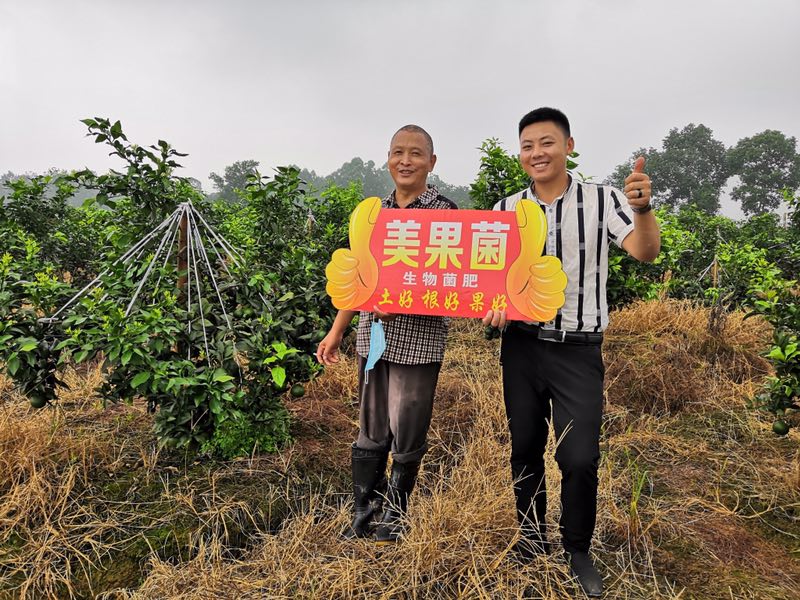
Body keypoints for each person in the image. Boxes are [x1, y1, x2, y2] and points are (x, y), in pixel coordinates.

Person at [483, 107, 660, 597]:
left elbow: (645, 251)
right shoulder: (505, 209)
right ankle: (530, 538)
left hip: (578, 350)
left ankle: (577, 548)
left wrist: (643, 209)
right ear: (520, 154)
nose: (537, 153)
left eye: (546, 142)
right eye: (527, 146)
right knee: (525, 449)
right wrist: (490, 308)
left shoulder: (603, 200)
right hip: (521, 348)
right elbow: (488, 281)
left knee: (580, 457)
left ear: (568, 145)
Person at [316, 125, 458, 544]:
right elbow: (358, 279)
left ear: (431, 163)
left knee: (408, 423)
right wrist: (337, 330)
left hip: (420, 337)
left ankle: (396, 513)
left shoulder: (446, 215)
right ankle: (364, 512)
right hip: (373, 334)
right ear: (388, 158)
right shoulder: (373, 213)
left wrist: (404, 300)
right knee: (372, 422)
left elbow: (455, 283)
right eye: (398, 152)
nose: (406, 161)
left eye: (416, 153)